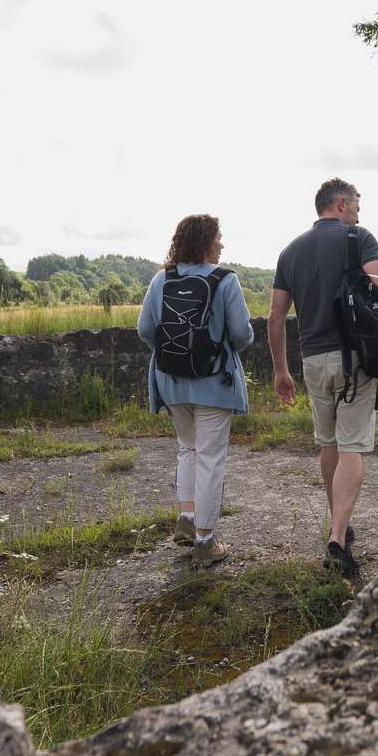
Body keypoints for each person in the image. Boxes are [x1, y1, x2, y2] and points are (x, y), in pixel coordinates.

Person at [269, 178, 378, 577]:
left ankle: (337, 523)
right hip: (352, 359)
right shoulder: (357, 238)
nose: (359, 210)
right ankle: (338, 539)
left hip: (311, 360)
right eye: (357, 203)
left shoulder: (289, 251)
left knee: (328, 443)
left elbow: (276, 317)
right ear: (340, 204)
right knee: (353, 445)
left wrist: (280, 370)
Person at [136, 215, 254, 566]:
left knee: (187, 449)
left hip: (171, 381)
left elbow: (145, 329)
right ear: (205, 242)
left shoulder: (162, 279)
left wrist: (176, 358)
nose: (222, 244)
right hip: (214, 382)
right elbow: (243, 334)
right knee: (211, 458)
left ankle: (187, 521)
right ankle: (205, 541)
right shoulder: (225, 280)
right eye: (219, 238)